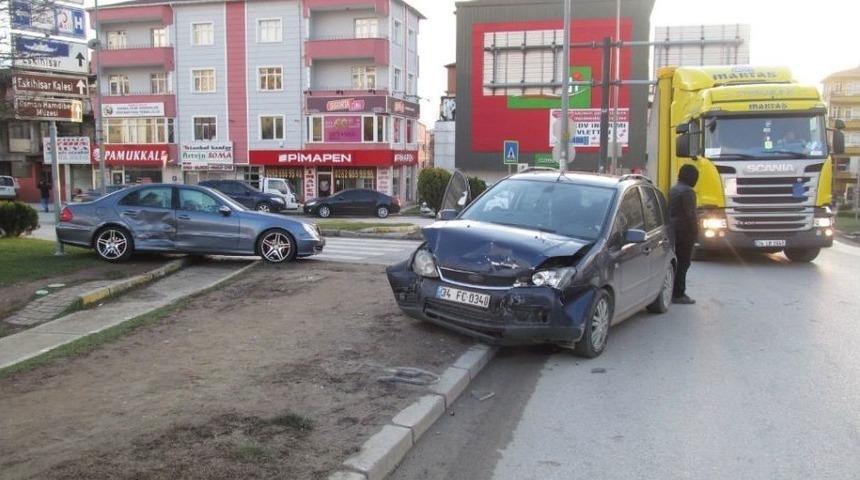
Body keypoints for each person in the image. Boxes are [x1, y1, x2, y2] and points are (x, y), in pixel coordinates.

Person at [669, 164, 699, 305]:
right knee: (684, 263)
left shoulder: (673, 189)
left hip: (673, 230)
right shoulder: (688, 192)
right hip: (685, 232)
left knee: (676, 262)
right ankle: (679, 293)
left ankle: (672, 291)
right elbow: (690, 214)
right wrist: (696, 231)